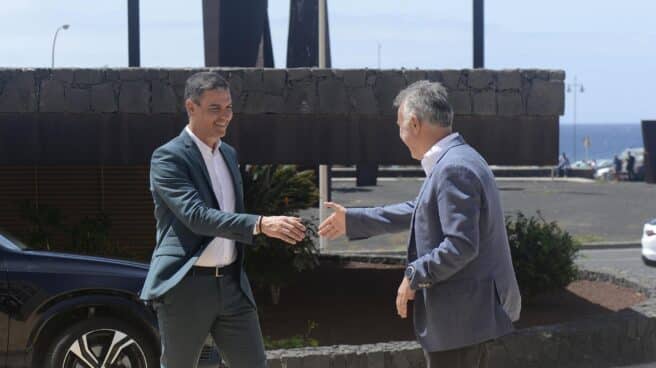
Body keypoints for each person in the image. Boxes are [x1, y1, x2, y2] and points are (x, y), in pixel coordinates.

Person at [319, 81, 521, 368]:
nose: (400, 134)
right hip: (467, 322)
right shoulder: (461, 158)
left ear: (414, 123)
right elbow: (420, 210)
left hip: (461, 325)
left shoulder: (454, 168)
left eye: (400, 125)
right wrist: (353, 221)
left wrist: (415, 274)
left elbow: (461, 245)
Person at [140, 72, 307, 368]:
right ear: (191, 108)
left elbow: (229, 211)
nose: (225, 116)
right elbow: (196, 216)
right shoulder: (168, 158)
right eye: (214, 109)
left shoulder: (228, 154)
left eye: (228, 108)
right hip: (186, 288)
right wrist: (260, 224)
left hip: (232, 285)